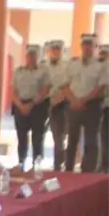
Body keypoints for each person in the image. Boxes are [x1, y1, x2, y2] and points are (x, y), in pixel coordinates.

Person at [64, 33, 108, 172]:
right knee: (71, 139)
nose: (87, 48)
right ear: (81, 46)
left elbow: (101, 87)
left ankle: (88, 171)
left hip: (92, 105)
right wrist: (74, 100)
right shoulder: (72, 63)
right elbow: (65, 85)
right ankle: (68, 169)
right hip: (73, 104)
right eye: (85, 45)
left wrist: (84, 100)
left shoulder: (101, 65)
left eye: (90, 46)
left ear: (95, 47)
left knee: (91, 140)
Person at [11, 44, 51, 169]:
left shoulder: (43, 70)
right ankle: (21, 162)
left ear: (37, 56)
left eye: (33, 55)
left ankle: (36, 163)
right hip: (20, 105)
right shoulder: (18, 71)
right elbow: (13, 90)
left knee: (37, 136)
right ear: (26, 56)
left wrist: (31, 104)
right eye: (29, 55)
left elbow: (45, 89)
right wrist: (20, 105)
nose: (31, 57)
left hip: (37, 106)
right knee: (21, 136)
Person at [43, 40, 71, 170]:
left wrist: (59, 97)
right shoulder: (43, 66)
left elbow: (69, 84)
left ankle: (59, 163)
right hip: (45, 102)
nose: (55, 51)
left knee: (61, 135)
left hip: (62, 103)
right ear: (49, 51)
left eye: (58, 49)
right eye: (53, 49)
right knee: (48, 134)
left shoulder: (67, 66)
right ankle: (53, 162)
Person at [99, 44, 109, 171]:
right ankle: (102, 164)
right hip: (96, 107)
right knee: (101, 137)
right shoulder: (95, 68)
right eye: (102, 54)